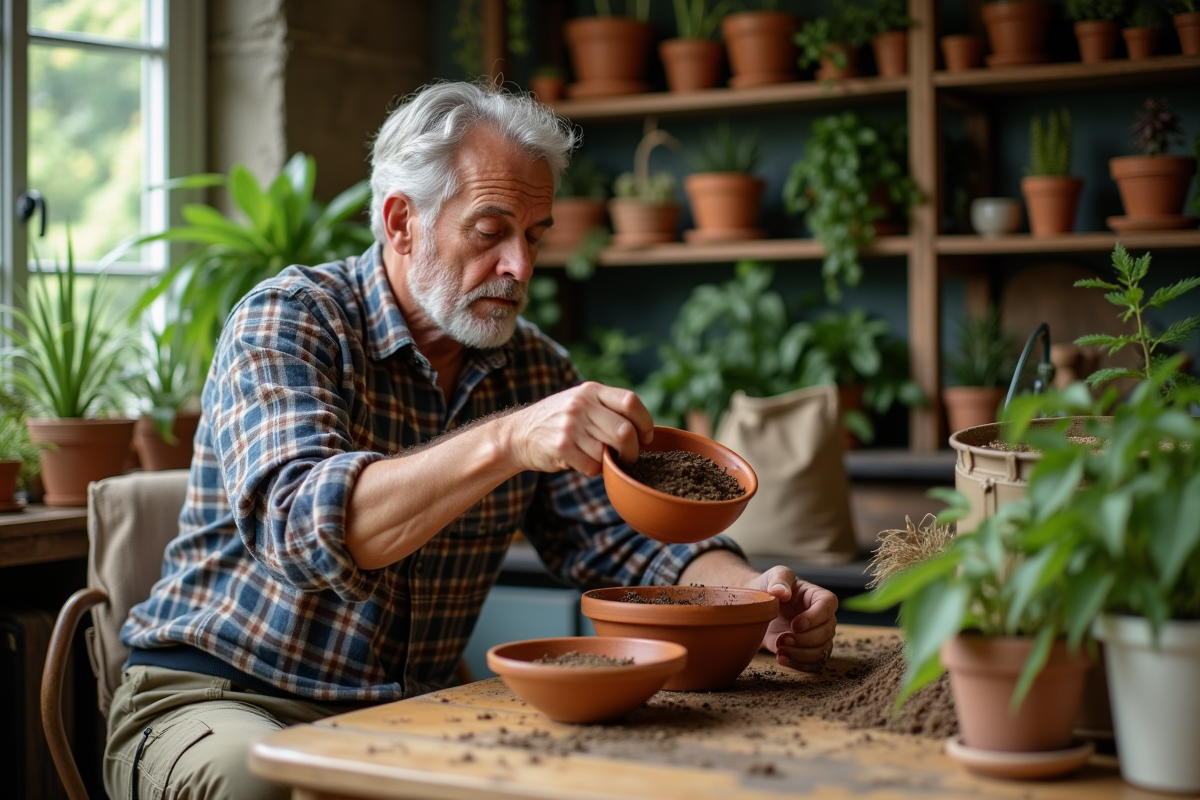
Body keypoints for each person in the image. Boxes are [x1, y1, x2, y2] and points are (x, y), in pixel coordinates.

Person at [104, 81, 838, 799]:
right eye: (490, 232)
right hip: (224, 694)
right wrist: (510, 439)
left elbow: (620, 542)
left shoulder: (534, 367)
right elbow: (305, 532)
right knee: (259, 782)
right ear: (401, 222)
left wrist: (751, 595)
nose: (520, 267)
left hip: (404, 712)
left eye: (535, 235)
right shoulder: (290, 320)